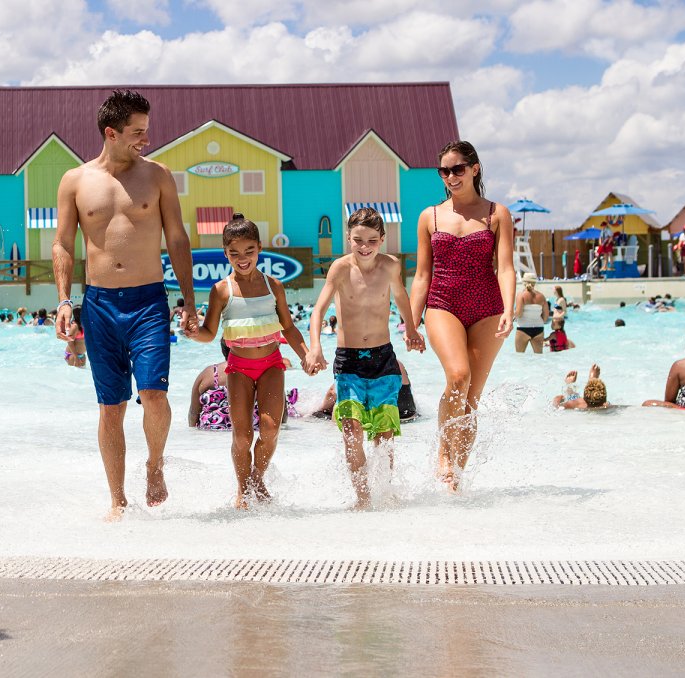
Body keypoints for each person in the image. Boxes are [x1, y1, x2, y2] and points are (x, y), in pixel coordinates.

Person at [53, 89, 198, 521]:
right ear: (111, 133)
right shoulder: (75, 181)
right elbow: (62, 244)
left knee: (154, 393)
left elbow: (177, 238)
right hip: (98, 305)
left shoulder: (158, 176)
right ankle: (117, 499)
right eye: (137, 133)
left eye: (147, 131)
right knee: (111, 406)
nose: (146, 140)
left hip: (149, 300)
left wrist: (189, 300)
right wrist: (63, 301)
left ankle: (155, 464)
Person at [408, 140, 514, 493]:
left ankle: (456, 476)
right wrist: (411, 323)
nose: (450, 176)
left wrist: (509, 309)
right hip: (442, 304)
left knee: (471, 398)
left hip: (487, 307)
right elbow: (422, 275)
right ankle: (443, 452)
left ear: (474, 169)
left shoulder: (497, 213)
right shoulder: (430, 216)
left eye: (457, 169)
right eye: (444, 171)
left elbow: (506, 268)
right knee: (458, 376)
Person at [307, 207, 424, 509]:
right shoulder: (340, 269)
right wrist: (315, 347)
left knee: (384, 435)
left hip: (384, 359)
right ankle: (363, 499)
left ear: (382, 239)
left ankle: (384, 494)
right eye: (358, 239)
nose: (364, 246)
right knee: (351, 430)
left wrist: (411, 330)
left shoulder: (391, 266)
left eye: (372, 240)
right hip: (349, 362)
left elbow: (401, 298)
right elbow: (318, 310)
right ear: (349, 238)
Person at [193, 214, 312, 509]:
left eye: (249, 251)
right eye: (234, 253)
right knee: (242, 436)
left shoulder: (274, 286)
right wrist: (193, 332)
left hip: (271, 363)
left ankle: (257, 479)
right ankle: (242, 489)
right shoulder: (222, 290)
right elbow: (209, 333)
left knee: (271, 429)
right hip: (239, 369)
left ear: (259, 248)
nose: (242, 258)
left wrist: (306, 355)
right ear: (225, 253)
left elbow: (288, 327)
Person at [513, 273, 548, 353]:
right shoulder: (541, 296)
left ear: (524, 282)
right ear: (534, 283)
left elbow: (519, 313)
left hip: (523, 328)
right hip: (538, 328)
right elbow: (545, 318)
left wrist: (512, 315)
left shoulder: (521, 295)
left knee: (519, 357)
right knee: (539, 358)